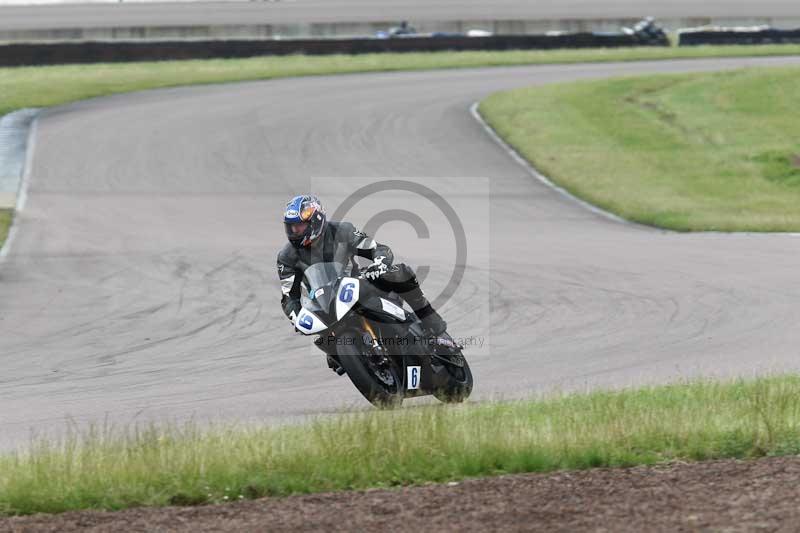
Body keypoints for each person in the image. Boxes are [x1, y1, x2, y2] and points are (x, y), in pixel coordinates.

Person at [276, 194, 448, 342]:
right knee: (324, 342)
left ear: (315, 220)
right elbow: (289, 296)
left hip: (358, 286)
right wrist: (296, 317)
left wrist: (379, 263)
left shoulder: (342, 231)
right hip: (325, 303)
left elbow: (377, 249)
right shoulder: (287, 257)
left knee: (399, 272)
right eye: (291, 227)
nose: (295, 231)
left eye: (299, 226)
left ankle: (432, 322)